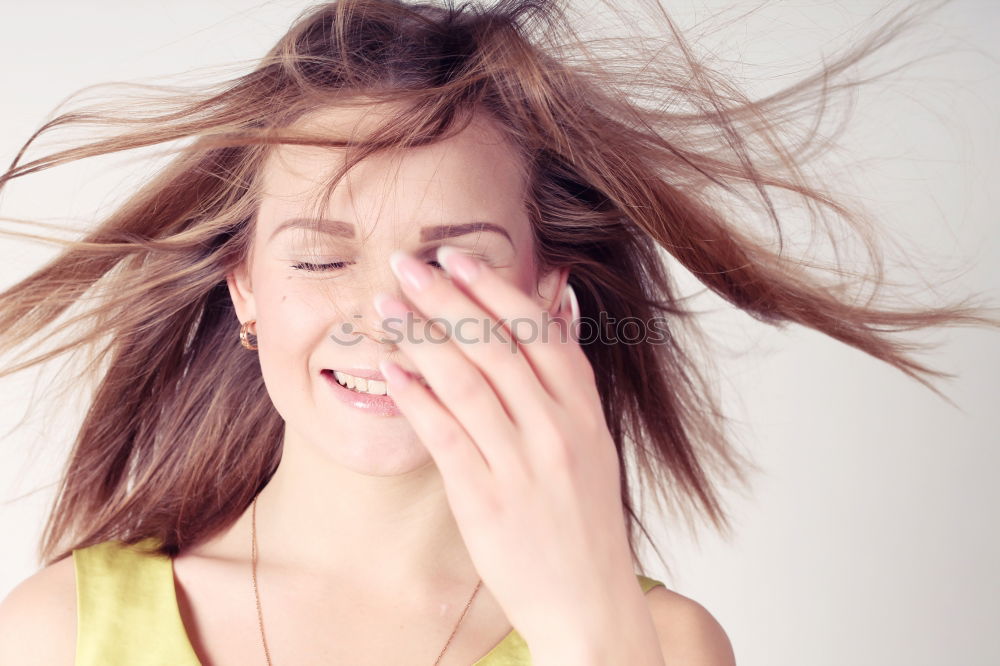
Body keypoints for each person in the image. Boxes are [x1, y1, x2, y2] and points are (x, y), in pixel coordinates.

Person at [0, 0, 994, 664]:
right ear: (246, 289)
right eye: (317, 257)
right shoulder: (57, 634)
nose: (384, 317)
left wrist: (588, 624)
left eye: (451, 261)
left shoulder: (658, 641)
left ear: (546, 300)